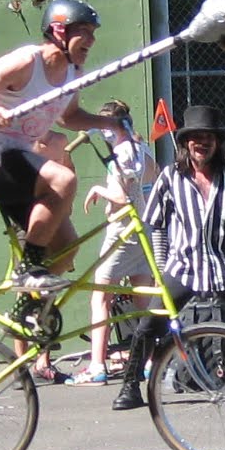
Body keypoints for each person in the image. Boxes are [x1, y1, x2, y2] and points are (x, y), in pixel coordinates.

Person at [0, 0, 128, 303]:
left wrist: (111, 123)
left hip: (20, 166)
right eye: (84, 31)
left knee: (67, 248)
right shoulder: (27, 62)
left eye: (94, 32)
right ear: (58, 31)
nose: (92, 40)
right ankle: (28, 269)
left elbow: (70, 118)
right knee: (63, 180)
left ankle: (28, 308)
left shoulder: (72, 74)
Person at [117, 104, 225, 411]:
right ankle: (130, 387)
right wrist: (160, 271)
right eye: (196, 137)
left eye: (208, 137)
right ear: (186, 142)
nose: (202, 143)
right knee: (150, 326)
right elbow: (158, 226)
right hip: (184, 267)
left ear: (217, 142)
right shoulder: (170, 177)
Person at [69, 101, 159, 388]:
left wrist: (98, 190)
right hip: (142, 230)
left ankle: (97, 366)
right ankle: (149, 361)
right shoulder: (142, 151)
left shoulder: (121, 153)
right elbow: (154, 182)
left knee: (101, 297)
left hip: (122, 233)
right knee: (142, 298)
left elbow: (122, 198)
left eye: (105, 127)